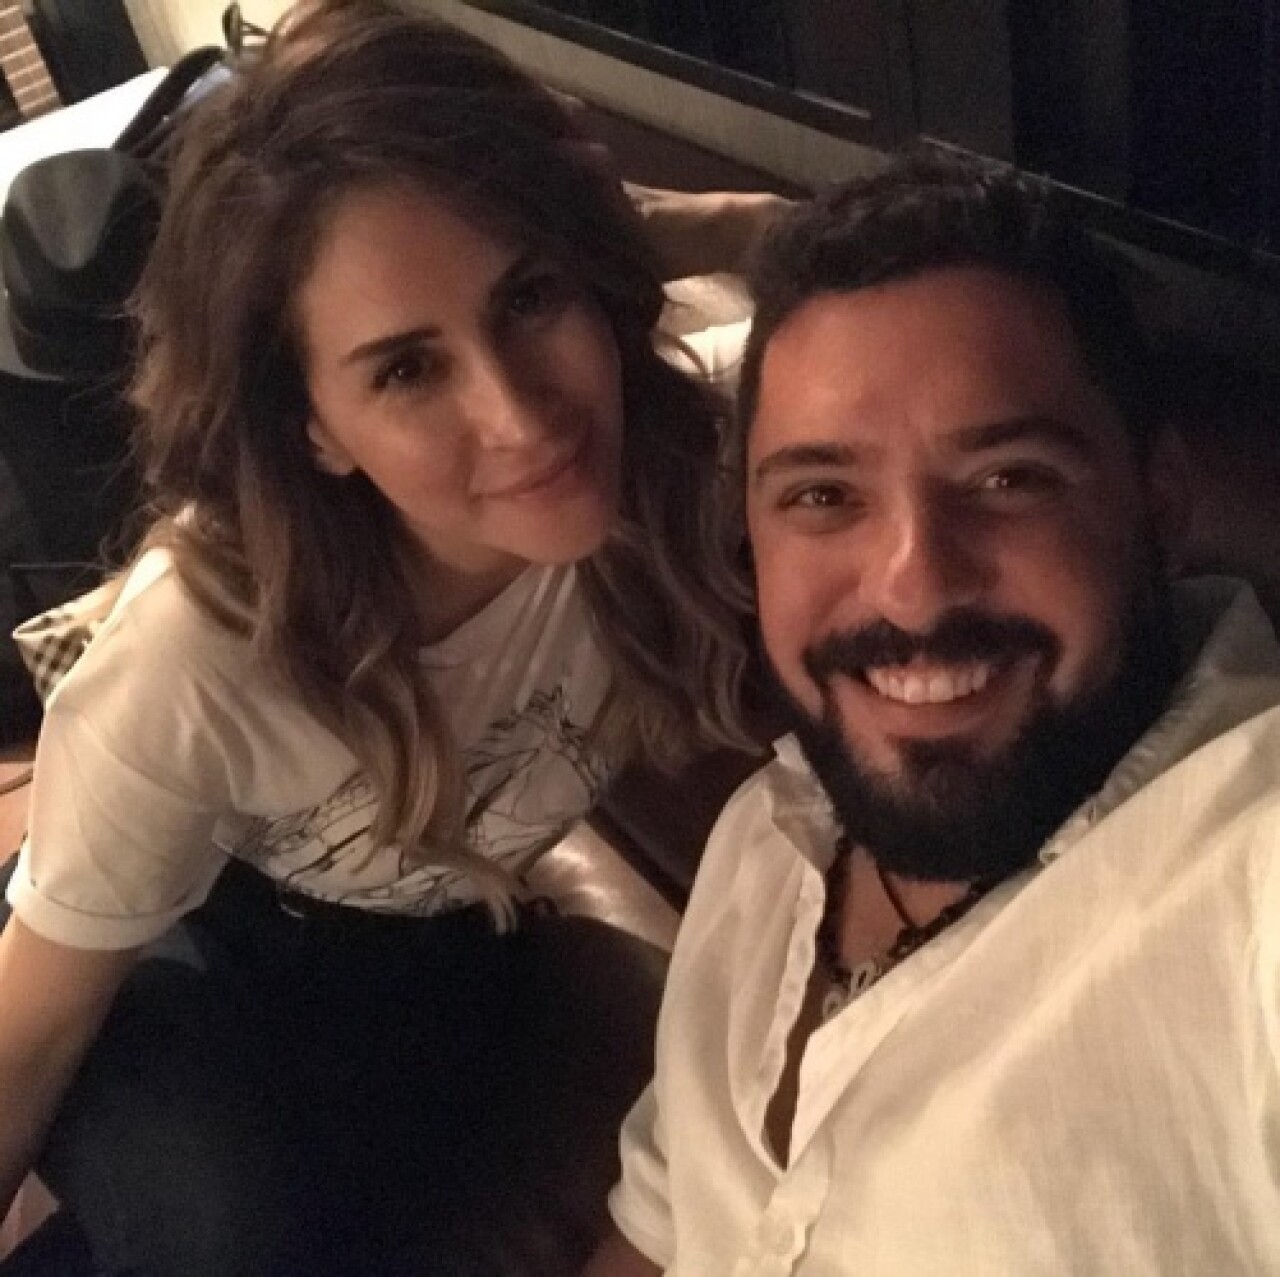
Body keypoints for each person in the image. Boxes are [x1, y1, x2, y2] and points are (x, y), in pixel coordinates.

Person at [0, 2, 778, 1273]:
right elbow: (30, 1033)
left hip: (437, 951)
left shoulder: (705, 435)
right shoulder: (196, 658)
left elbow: (908, 269)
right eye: (407, 370)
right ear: (311, 425)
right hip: (182, 958)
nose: (521, 418)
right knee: (237, 1229)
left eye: (529, 296)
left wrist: (712, 221)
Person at [586, 156, 1280, 1275]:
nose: (913, 589)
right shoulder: (763, 836)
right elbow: (656, 1227)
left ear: (1159, 502)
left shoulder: (1249, 865)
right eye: (823, 496)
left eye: (1007, 478)